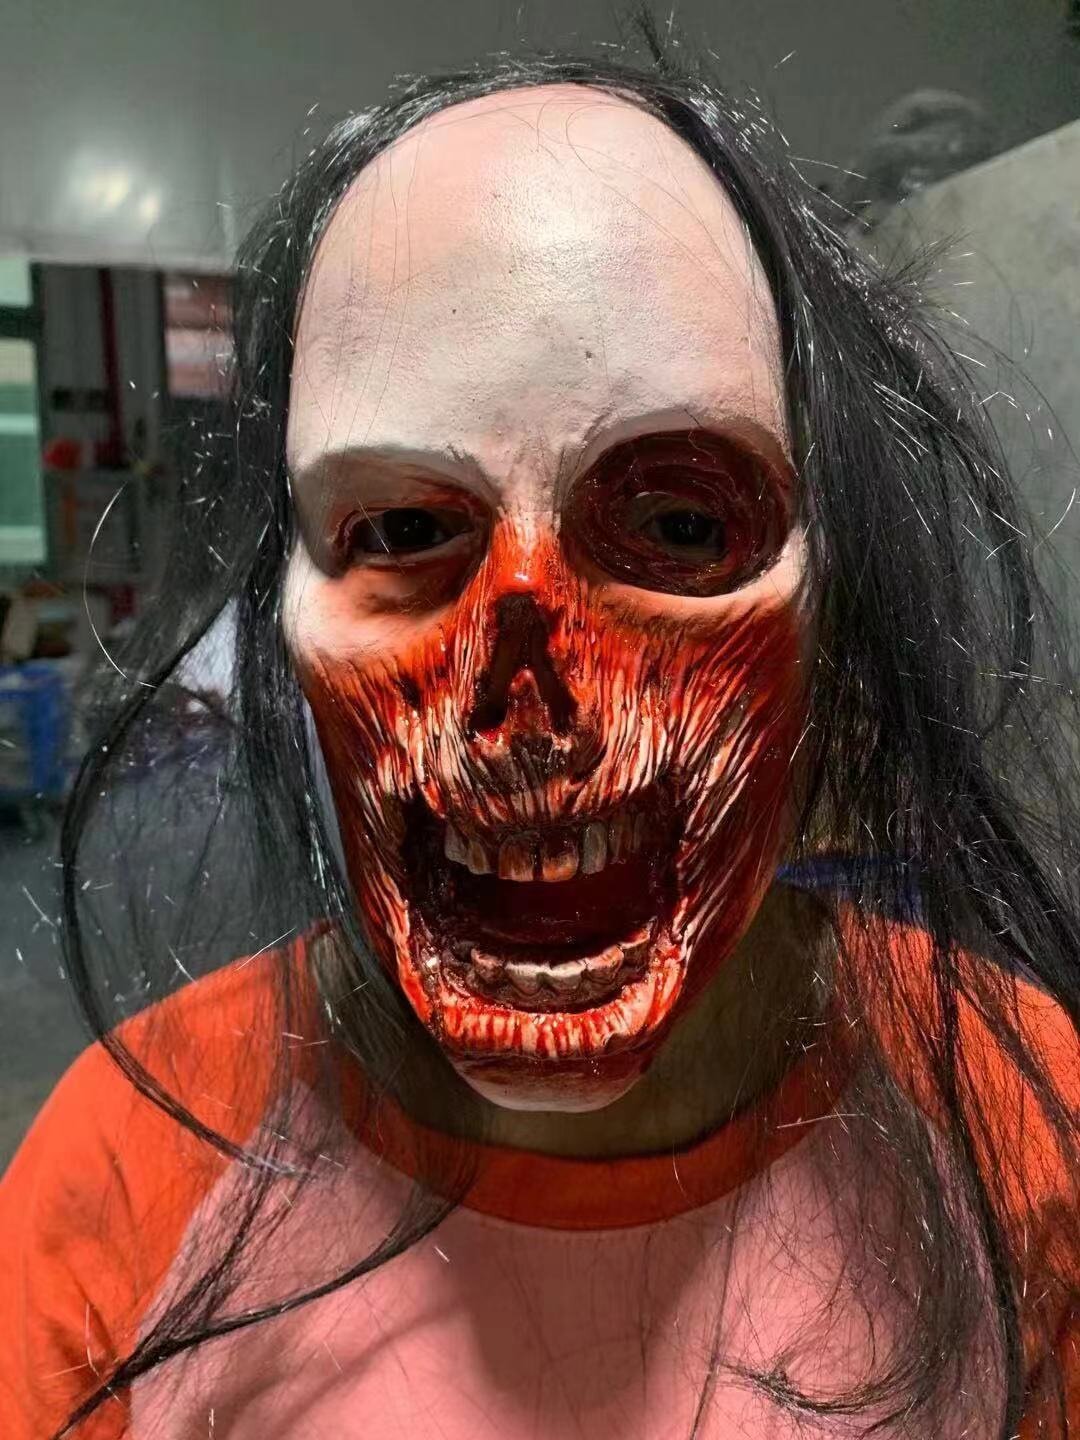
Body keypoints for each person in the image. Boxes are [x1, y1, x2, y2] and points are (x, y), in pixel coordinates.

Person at [2, 33, 1077, 1440]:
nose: (527, 699)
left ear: (832, 600)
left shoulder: (1021, 1111)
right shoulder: (127, 1164)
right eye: (402, 529)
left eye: (679, 524)